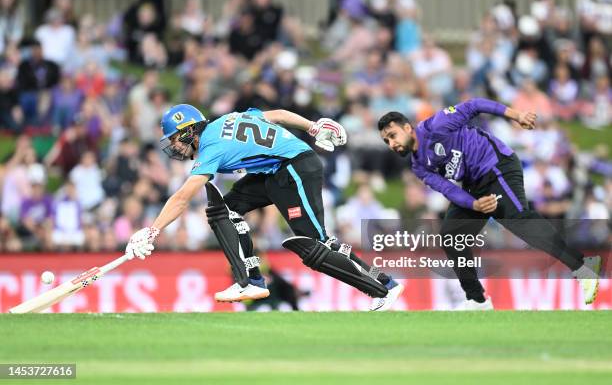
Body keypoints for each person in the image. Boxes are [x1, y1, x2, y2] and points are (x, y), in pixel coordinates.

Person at [125, 104, 404, 311]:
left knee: (315, 244)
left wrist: (152, 231)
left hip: (294, 167)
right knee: (225, 208)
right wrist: (312, 127)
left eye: (174, 138)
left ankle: (383, 285)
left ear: (188, 133)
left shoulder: (211, 147)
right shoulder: (227, 120)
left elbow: (183, 197)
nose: (173, 146)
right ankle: (252, 280)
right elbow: (279, 114)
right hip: (276, 170)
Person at [377, 98, 601, 310]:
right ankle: (477, 300)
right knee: (451, 235)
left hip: (497, 166)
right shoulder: (418, 166)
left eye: (393, 135)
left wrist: (517, 115)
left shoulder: (437, 125)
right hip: (474, 184)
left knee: (517, 220)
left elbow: (475, 105)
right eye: (387, 141)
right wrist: (475, 205)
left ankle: (582, 266)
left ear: (407, 128)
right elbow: (448, 189)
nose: (391, 143)